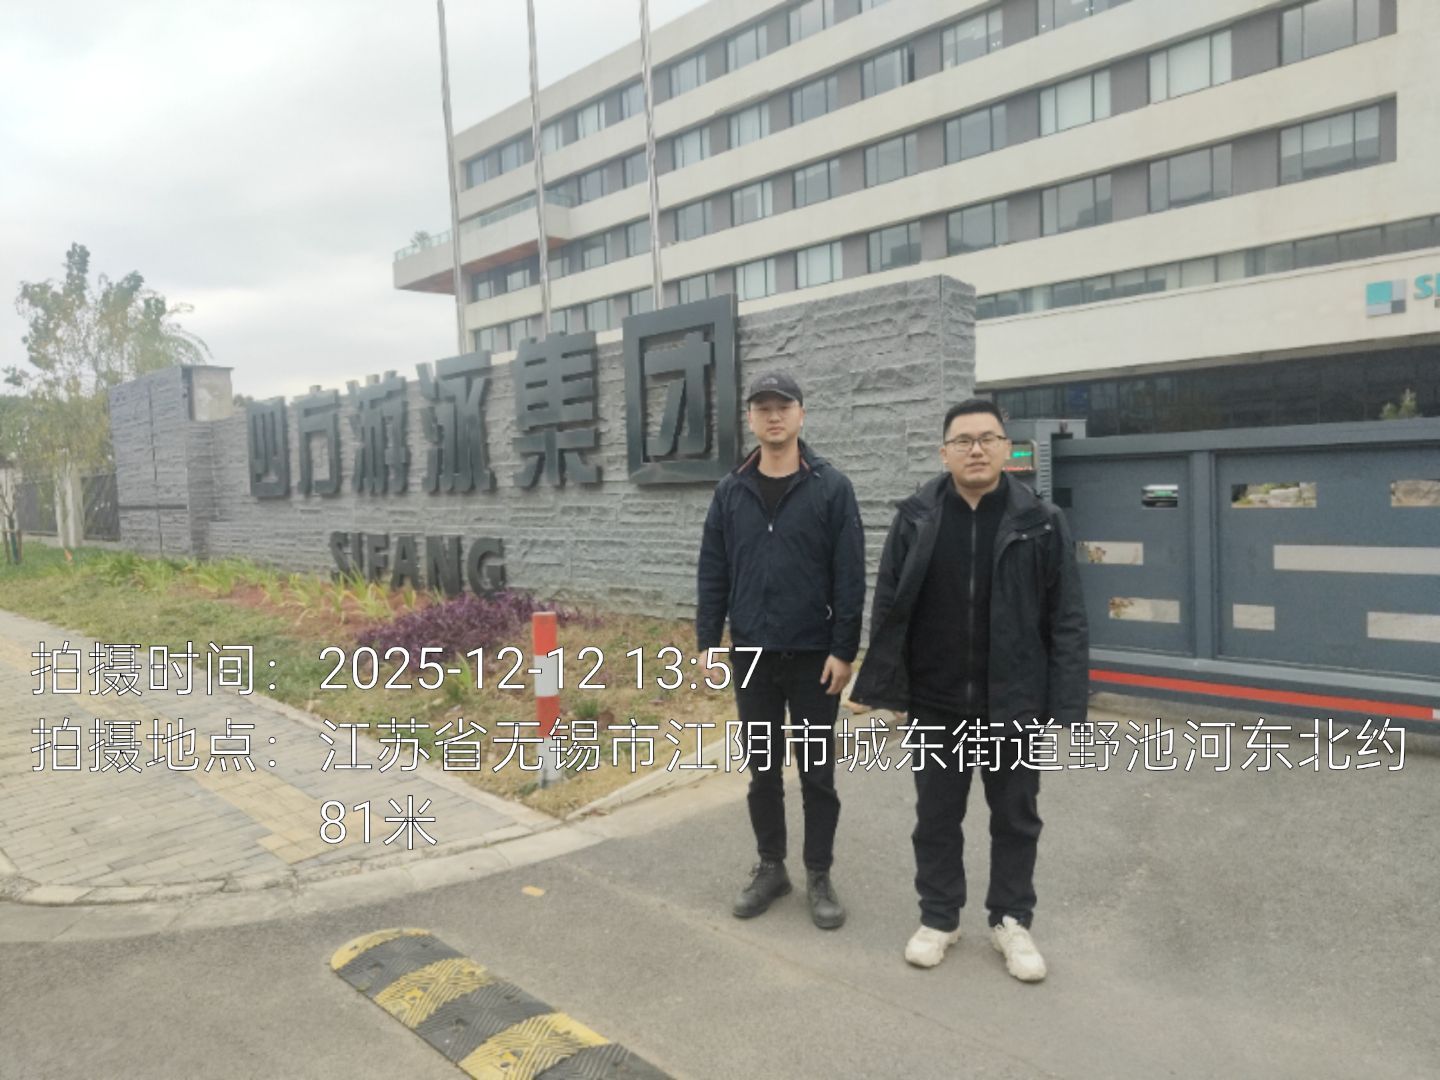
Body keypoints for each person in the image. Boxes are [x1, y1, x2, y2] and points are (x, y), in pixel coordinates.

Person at [850, 399, 1088, 980]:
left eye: (987, 438)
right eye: (963, 440)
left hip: (1014, 701)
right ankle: (939, 916)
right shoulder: (916, 518)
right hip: (937, 703)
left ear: (1006, 449)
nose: (976, 449)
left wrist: (1065, 703)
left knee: (1016, 819)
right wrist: (884, 685)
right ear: (944, 453)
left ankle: (1011, 920)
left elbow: (1067, 616)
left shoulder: (1042, 521)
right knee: (935, 816)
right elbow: (890, 607)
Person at [696, 371, 866, 930]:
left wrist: (844, 650)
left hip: (815, 656)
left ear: (801, 414)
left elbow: (849, 576)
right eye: (763, 407)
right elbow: (713, 571)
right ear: (750, 418)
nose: (773, 416)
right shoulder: (731, 491)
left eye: (783, 406)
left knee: (817, 772)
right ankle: (772, 867)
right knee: (763, 770)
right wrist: (707, 641)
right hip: (752, 655)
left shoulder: (830, 487)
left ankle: (819, 873)